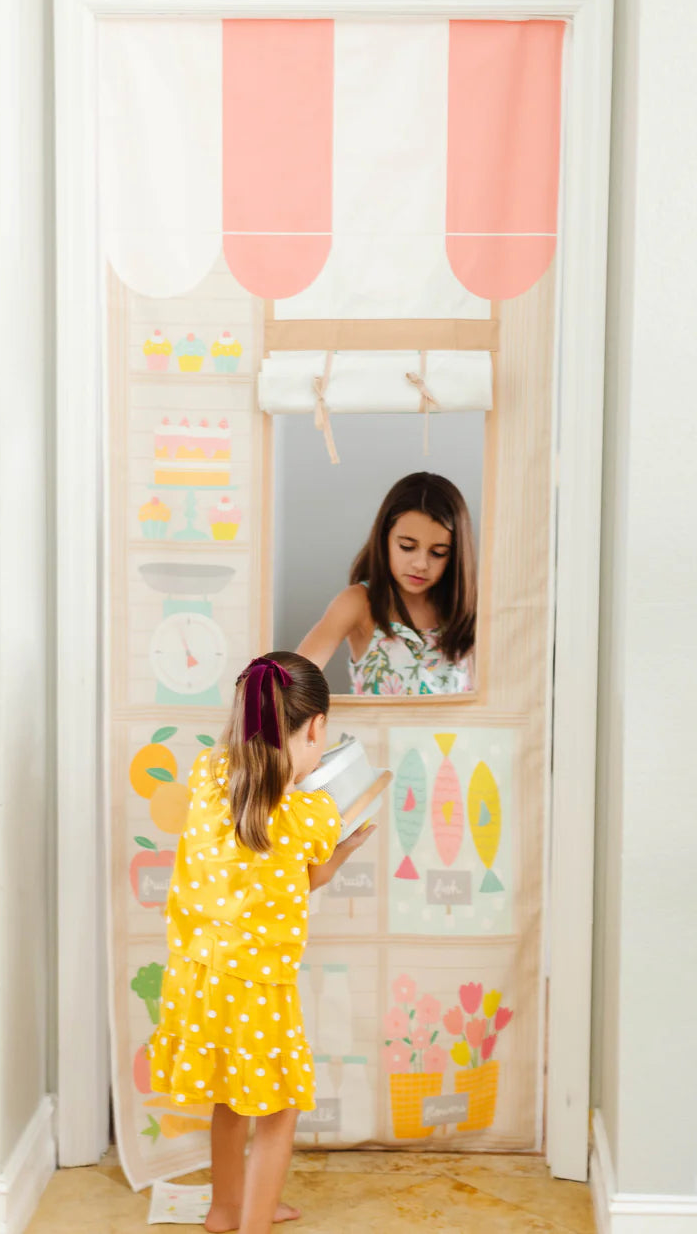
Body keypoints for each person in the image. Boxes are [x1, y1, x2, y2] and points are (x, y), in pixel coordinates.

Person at [148, 652, 375, 1234]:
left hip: (196, 977)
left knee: (230, 1095)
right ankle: (254, 1223)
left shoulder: (207, 773)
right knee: (277, 1109)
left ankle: (227, 1209)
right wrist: (345, 846)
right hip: (256, 987)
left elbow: (275, 874)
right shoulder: (311, 812)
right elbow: (311, 874)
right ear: (317, 727)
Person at [297, 472, 477, 695]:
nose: (421, 564)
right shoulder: (359, 603)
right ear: (384, 539)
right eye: (407, 547)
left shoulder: (465, 612)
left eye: (438, 553)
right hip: (374, 731)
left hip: (453, 731)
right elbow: (293, 680)